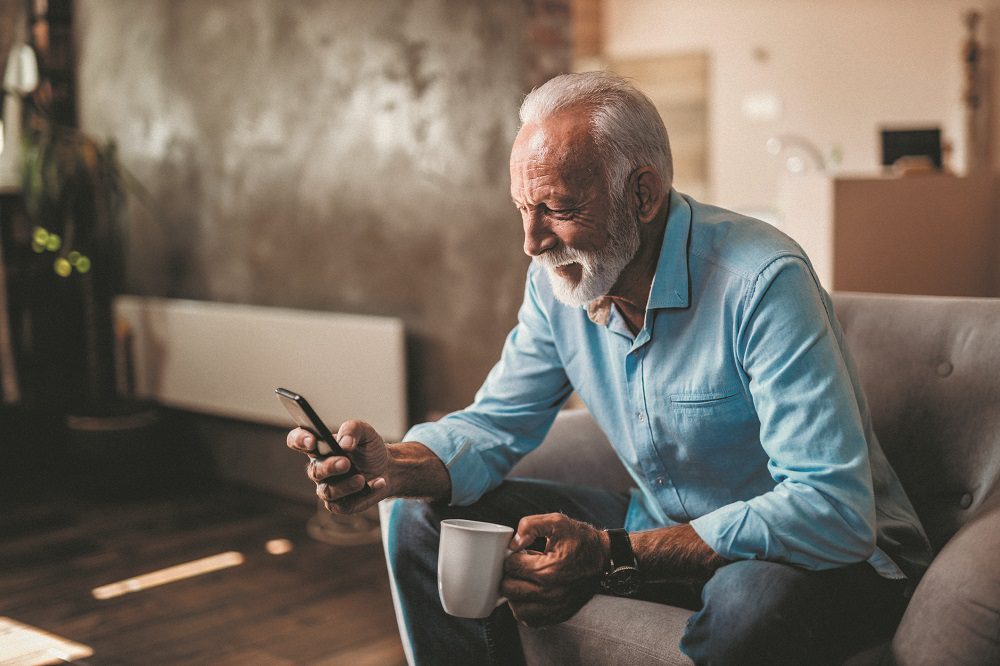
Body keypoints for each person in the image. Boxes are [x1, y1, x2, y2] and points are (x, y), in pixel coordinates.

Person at [286, 72, 933, 665]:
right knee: (420, 513)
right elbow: (497, 422)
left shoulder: (761, 282)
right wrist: (391, 467)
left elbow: (833, 511)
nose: (531, 241)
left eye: (558, 209)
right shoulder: (558, 283)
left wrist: (610, 555)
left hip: (832, 563)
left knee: (748, 600)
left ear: (643, 194)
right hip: (655, 526)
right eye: (522, 209)